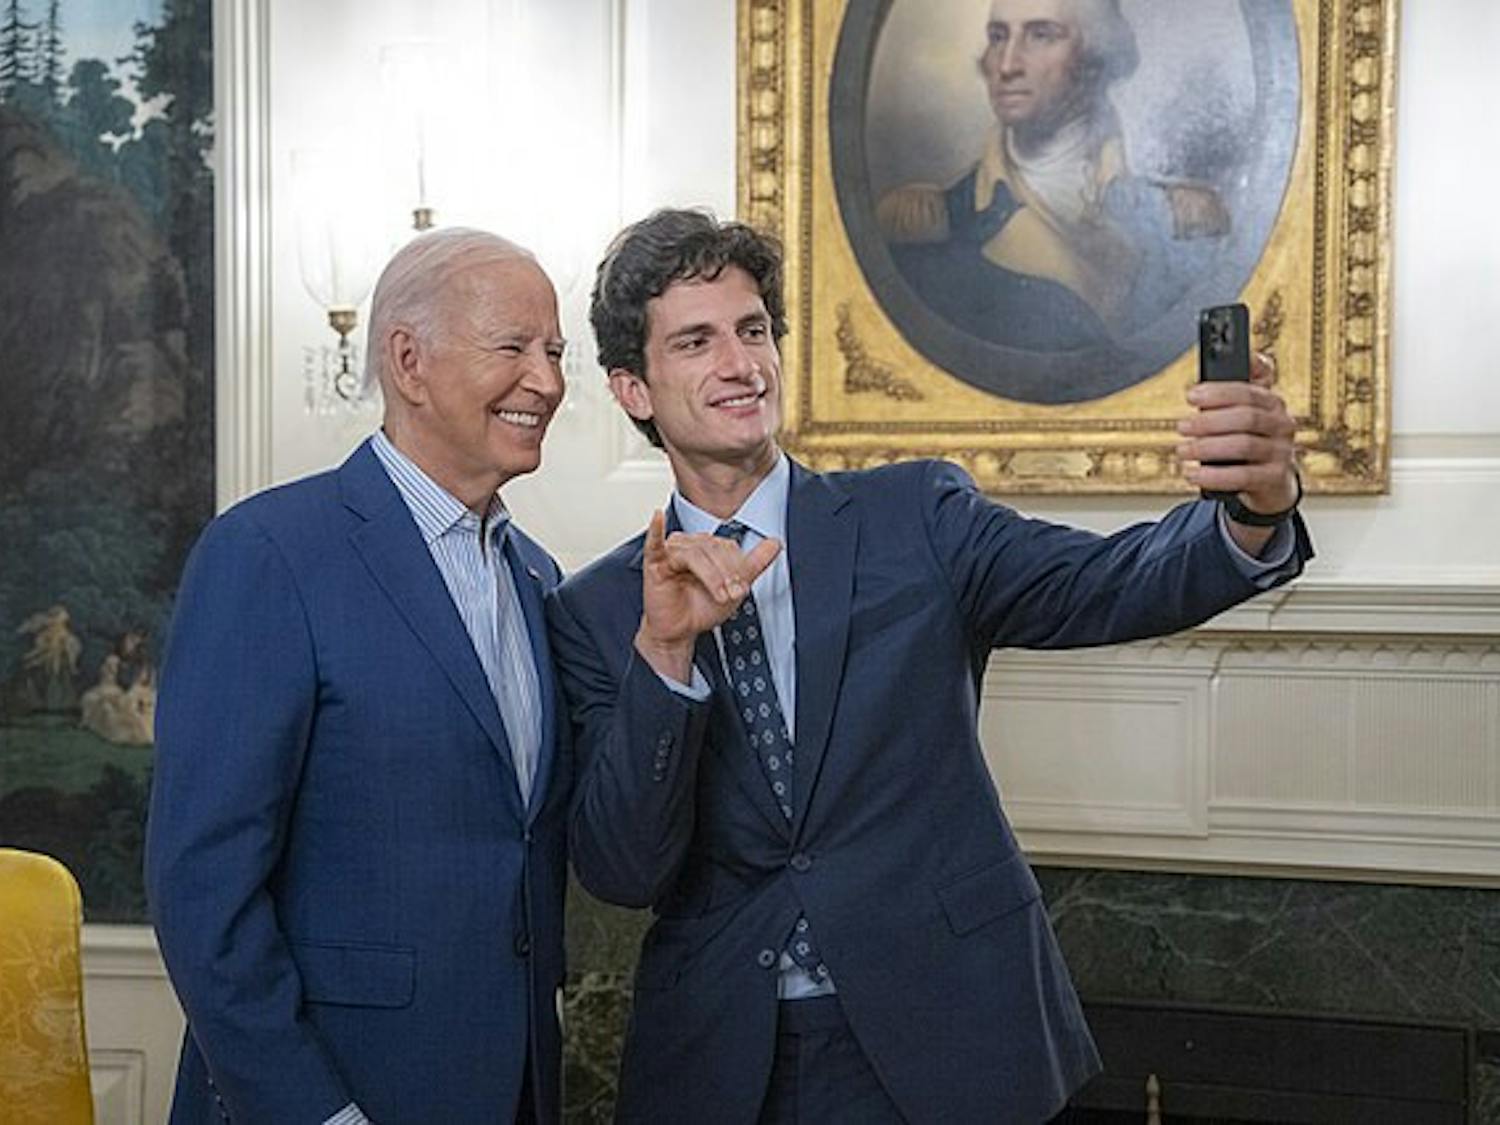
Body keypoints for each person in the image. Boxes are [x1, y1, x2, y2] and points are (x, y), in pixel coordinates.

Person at [547, 208, 1311, 1123]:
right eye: (697, 341)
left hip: (948, 1033)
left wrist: (1254, 509)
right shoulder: (594, 614)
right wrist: (665, 652)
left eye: (753, 330)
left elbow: (1113, 582)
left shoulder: (918, 515)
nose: (740, 364)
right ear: (634, 389)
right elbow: (622, 870)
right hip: (722, 1059)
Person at [147, 228, 571, 1124]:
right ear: (408, 361)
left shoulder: (540, 578)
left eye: (556, 351)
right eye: (515, 348)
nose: (548, 380)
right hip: (325, 1099)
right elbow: (202, 891)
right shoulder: (267, 553)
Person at [877, 0, 1227, 350]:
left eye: (1041, 35)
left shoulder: (1180, 221)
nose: (1007, 65)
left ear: (1096, 57)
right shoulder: (932, 228)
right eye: (998, 37)